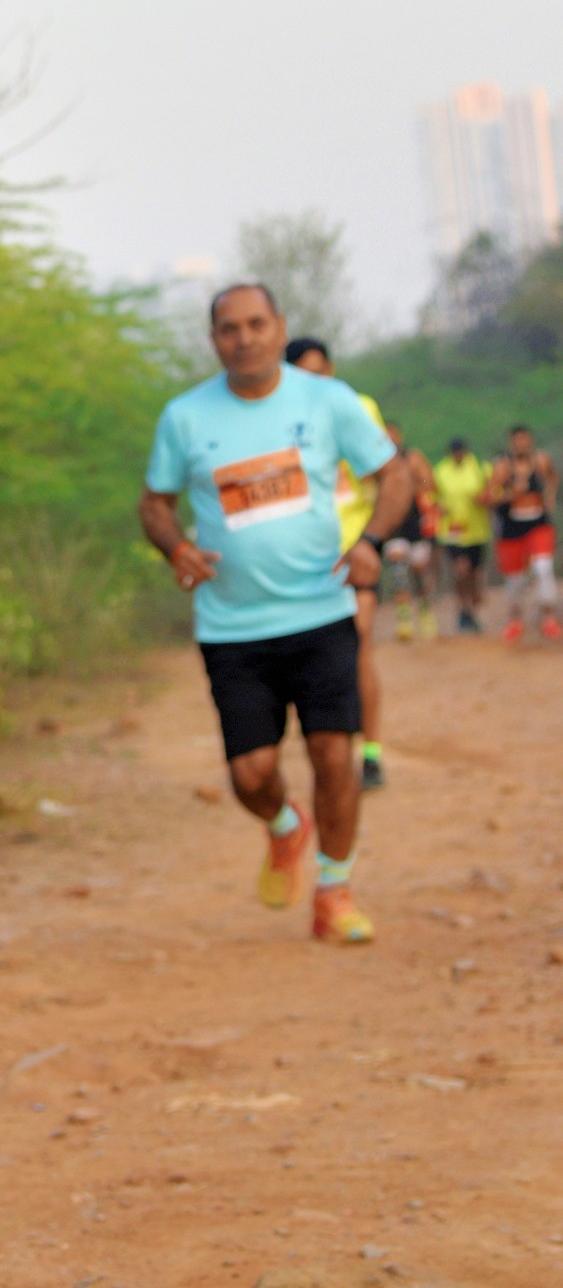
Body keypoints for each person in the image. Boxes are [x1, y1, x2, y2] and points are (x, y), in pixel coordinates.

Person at [140, 285, 409, 946]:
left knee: (333, 756)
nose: (245, 339)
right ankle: (286, 828)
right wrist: (175, 547)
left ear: (279, 328)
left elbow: (394, 474)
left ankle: (334, 892)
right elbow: (154, 502)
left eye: (256, 324)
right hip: (232, 627)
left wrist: (372, 542)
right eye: (229, 329)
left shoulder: (328, 400)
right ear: (214, 340)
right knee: (250, 775)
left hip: (321, 612)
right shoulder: (185, 416)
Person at [285, 336, 390, 789]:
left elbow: (383, 474)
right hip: (304, 560)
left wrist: (372, 540)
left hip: (353, 552)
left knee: (357, 644)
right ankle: (331, 752)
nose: (314, 383)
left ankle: (371, 752)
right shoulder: (275, 419)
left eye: (319, 373)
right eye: (302, 376)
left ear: (331, 369)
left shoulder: (356, 407)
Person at [486, 425, 561, 645]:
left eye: (525, 440)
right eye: (517, 441)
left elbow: (553, 477)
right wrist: (511, 494)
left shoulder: (541, 461)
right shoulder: (503, 468)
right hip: (512, 528)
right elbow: (487, 497)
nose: (522, 445)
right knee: (515, 580)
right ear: (511, 444)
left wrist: (550, 496)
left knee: (543, 568)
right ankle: (516, 619)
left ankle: (548, 617)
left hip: (538, 524)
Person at [379, 420, 438, 642]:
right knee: (398, 571)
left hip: (415, 522)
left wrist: (408, 485)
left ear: (399, 437)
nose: (389, 440)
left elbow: (428, 482)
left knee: (419, 570)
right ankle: (403, 619)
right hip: (393, 524)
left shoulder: (412, 458)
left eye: (392, 435)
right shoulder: (377, 462)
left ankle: (424, 610)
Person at [434, 435, 492, 633]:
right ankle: (462, 609)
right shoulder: (441, 471)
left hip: (477, 531)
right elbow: (432, 495)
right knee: (461, 570)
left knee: (474, 574)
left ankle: (471, 609)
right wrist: (438, 507)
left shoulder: (479, 468)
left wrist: (484, 498)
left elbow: (492, 492)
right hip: (452, 530)